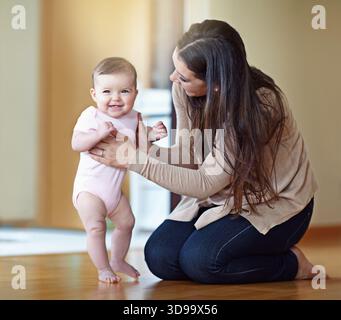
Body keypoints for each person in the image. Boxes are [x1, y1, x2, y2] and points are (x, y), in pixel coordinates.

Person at [89, 20, 319, 284]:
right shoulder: (184, 91)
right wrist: (144, 150)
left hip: (274, 203)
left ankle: (291, 265)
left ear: (216, 84)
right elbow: (189, 156)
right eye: (175, 67)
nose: (173, 78)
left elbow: (206, 181)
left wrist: (133, 160)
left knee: (202, 262)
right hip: (218, 198)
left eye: (183, 76)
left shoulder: (261, 105)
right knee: (160, 258)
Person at [71, 57, 167, 283]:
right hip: (89, 190)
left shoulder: (135, 118)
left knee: (127, 223)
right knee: (96, 227)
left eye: (124, 91)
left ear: (135, 93)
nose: (115, 98)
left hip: (113, 192)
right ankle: (103, 268)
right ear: (94, 94)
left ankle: (118, 260)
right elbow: (76, 143)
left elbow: (140, 150)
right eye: (107, 92)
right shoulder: (91, 116)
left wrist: (152, 134)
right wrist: (98, 134)